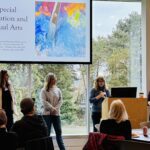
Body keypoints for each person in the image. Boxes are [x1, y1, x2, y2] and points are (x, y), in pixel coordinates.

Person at [40, 72, 65, 150]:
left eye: (55, 79)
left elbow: (61, 100)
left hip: (56, 114)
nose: (55, 80)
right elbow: (43, 101)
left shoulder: (58, 89)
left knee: (59, 133)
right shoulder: (43, 90)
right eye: (53, 79)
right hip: (47, 115)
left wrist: (56, 109)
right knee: (47, 134)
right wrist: (51, 108)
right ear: (49, 80)